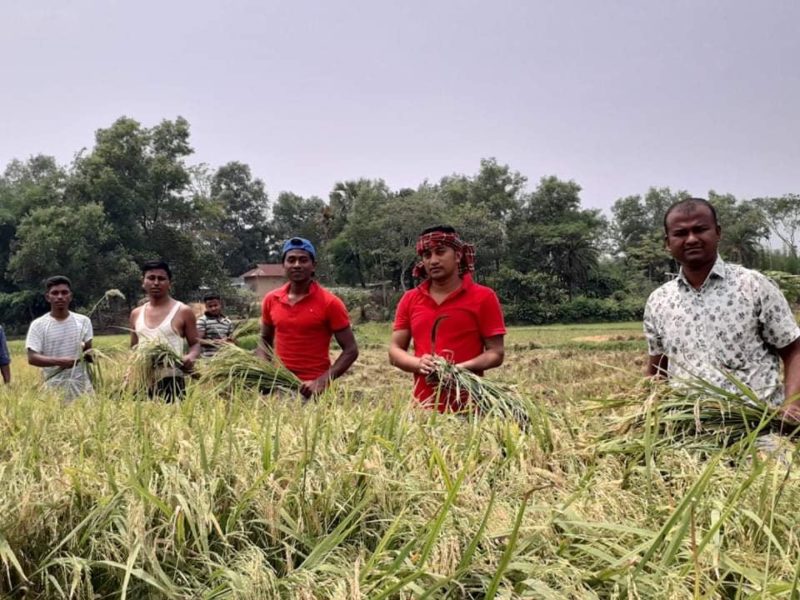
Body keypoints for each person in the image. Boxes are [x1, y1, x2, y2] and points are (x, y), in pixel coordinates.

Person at [644, 198, 800, 422]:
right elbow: (658, 370)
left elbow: (794, 350)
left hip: (758, 427)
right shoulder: (658, 301)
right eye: (680, 233)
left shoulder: (753, 286)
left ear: (717, 232)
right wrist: (646, 413)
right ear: (667, 242)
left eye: (700, 229)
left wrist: (792, 406)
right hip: (687, 432)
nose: (691, 239)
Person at [389, 225, 506, 412]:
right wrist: (419, 364)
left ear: (458, 256)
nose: (433, 260)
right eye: (427, 255)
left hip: (471, 409)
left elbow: (496, 353)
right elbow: (394, 351)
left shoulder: (484, 297)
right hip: (423, 410)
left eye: (440, 252)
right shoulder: (410, 299)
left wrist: (459, 369)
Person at [257, 237, 359, 397]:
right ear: (284, 265)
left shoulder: (330, 303)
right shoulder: (271, 300)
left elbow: (351, 350)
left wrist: (322, 381)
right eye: (291, 260)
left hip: (313, 391)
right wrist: (264, 371)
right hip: (279, 386)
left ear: (313, 266)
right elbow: (264, 339)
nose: (297, 265)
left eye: (303, 260)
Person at [129, 260, 201, 401]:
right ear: (143, 282)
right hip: (142, 378)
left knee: (173, 420)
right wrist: (129, 375)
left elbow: (195, 344)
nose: (156, 283)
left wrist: (190, 357)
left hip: (171, 377)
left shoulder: (183, 311)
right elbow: (134, 348)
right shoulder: (136, 313)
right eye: (151, 278)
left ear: (169, 283)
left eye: (161, 279)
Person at [25, 276, 93, 401]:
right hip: (53, 390)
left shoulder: (84, 321)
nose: (60, 296)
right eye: (55, 293)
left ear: (70, 296)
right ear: (48, 297)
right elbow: (32, 357)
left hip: (82, 389)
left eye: (64, 292)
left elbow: (89, 352)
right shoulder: (38, 325)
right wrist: (59, 361)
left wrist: (91, 354)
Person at [197, 291, 234, 358]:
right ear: (206, 306)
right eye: (210, 306)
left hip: (226, 359)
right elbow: (197, 340)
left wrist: (228, 340)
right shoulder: (202, 321)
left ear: (220, 304)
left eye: (215, 305)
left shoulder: (228, 322)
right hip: (208, 360)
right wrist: (214, 342)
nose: (213, 308)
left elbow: (233, 341)